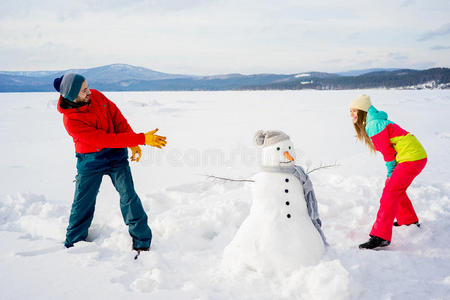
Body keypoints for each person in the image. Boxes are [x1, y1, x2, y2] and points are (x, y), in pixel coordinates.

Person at [54, 73, 167, 253]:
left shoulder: (97, 96)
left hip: (116, 156)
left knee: (129, 197)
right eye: (84, 91)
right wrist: (141, 139)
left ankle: (142, 243)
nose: (89, 92)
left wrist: (132, 143)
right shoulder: (71, 121)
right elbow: (103, 139)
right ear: (73, 96)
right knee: (83, 203)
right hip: (90, 161)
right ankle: (73, 244)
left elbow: (117, 118)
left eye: (87, 86)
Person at [350, 94, 427, 250]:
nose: (351, 115)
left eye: (354, 111)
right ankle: (408, 220)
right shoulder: (376, 122)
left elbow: (388, 153)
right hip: (415, 156)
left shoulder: (374, 125)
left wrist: (391, 172)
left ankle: (380, 236)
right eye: (350, 111)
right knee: (395, 188)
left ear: (363, 111)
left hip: (410, 158)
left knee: (389, 193)